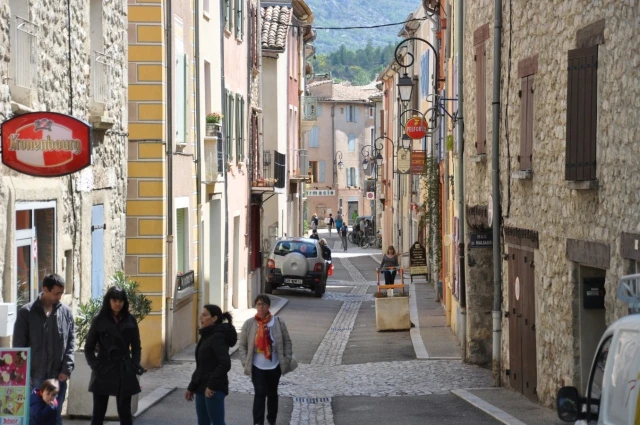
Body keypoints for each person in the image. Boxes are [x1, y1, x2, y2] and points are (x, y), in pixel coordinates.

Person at [13, 273, 74, 425]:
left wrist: (66, 370)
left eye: (61, 293)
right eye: (56, 293)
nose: (59, 297)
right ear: (45, 289)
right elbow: (19, 347)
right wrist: (24, 375)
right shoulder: (26, 313)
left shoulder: (66, 313)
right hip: (34, 378)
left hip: (57, 377)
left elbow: (70, 343)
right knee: (34, 418)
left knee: (55, 417)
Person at [85, 286, 144, 425]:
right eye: (114, 300)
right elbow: (88, 348)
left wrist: (134, 365)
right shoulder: (99, 320)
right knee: (98, 413)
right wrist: (96, 367)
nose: (118, 303)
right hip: (104, 368)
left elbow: (136, 347)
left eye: (121, 300)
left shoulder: (130, 320)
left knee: (125, 413)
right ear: (109, 301)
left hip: (124, 369)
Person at [239, 295, 294, 425]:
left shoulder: (278, 322)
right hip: (257, 366)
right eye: (258, 304)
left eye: (263, 304)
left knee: (272, 393)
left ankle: (271, 420)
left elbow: (287, 342)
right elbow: (242, 345)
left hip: (274, 366)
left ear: (268, 306)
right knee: (259, 393)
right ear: (255, 306)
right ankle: (258, 422)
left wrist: (286, 359)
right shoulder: (249, 324)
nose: (261, 307)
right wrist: (245, 361)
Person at [186, 305, 237, 425]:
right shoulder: (206, 335)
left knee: (217, 422)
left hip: (214, 388)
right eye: (201, 314)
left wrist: (211, 385)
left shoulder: (217, 337)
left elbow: (225, 363)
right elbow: (201, 366)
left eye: (204, 315)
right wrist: (192, 387)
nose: (200, 317)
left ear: (214, 318)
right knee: (203, 422)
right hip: (201, 387)